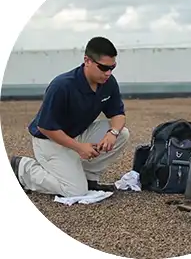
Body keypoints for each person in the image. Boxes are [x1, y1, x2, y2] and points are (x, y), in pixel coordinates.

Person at [10, 36, 130, 197]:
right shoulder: (62, 86)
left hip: (76, 134)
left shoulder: (108, 82)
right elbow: (45, 127)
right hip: (50, 141)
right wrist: (79, 148)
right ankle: (23, 169)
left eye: (112, 67)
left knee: (122, 133)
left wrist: (112, 133)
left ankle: (88, 178)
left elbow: (118, 114)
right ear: (87, 60)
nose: (108, 73)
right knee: (75, 191)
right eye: (103, 67)